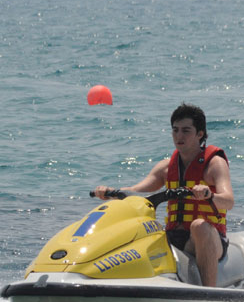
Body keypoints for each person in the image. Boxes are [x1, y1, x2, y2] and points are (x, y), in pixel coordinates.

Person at [93, 103, 234, 287]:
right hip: (175, 236)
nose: (179, 136)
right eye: (175, 130)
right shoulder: (166, 167)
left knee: (199, 226)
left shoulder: (214, 164)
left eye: (186, 130)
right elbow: (137, 191)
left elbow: (229, 201)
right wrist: (111, 193)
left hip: (210, 238)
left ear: (200, 134)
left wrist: (209, 194)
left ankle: (209, 295)